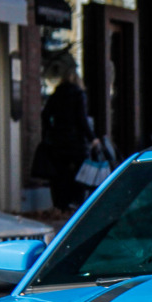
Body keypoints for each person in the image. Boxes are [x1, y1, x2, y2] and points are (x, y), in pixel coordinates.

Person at [38, 57, 99, 213]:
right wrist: (93, 138)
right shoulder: (79, 95)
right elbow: (82, 120)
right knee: (79, 175)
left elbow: (45, 115)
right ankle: (75, 205)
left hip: (58, 144)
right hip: (76, 144)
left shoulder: (56, 94)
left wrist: (49, 132)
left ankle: (61, 205)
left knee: (61, 176)